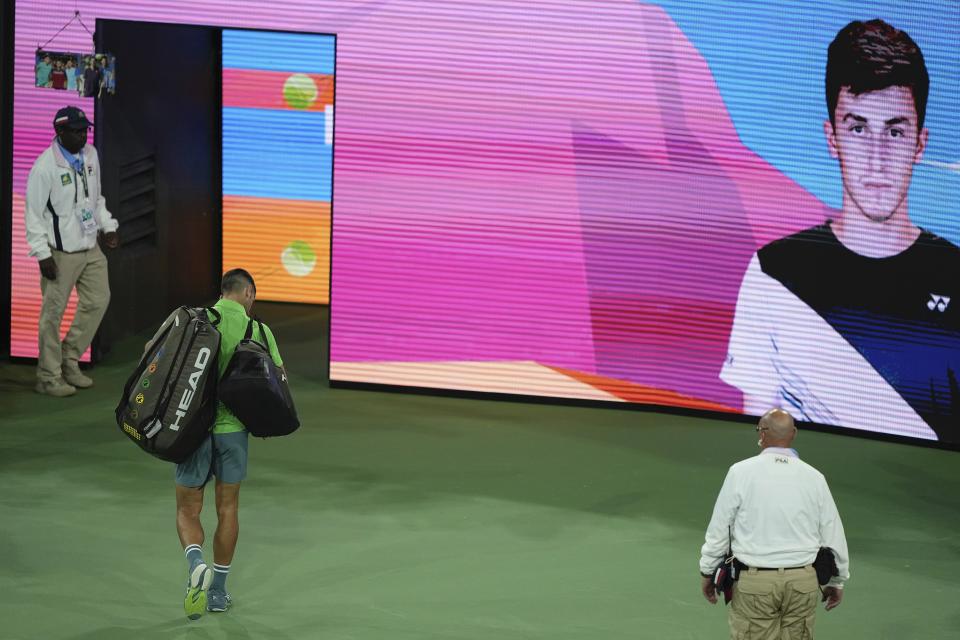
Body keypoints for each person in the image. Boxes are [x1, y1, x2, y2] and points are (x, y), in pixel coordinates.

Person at [720, 19, 960, 443]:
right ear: (832, 138)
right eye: (858, 128)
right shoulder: (772, 273)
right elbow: (758, 446)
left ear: (920, 144)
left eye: (895, 131)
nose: (877, 158)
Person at [174, 268, 285, 620]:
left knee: (187, 509)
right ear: (248, 294)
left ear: (223, 293)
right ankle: (218, 592)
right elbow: (277, 380)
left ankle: (195, 563)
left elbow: (153, 352)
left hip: (191, 431)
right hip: (233, 432)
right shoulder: (260, 331)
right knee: (228, 508)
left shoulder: (194, 320)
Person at [699, 409, 849, 639]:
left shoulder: (740, 473)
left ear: (763, 434)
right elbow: (833, 533)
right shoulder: (815, 478)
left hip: (756, 585)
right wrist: (837, 581)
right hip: (803, 583)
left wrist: (708, 571)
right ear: (794, 433)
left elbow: (720, 528)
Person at [24, 106, 119, 397]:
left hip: (90, 246)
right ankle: (48, 376)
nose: (83, 135)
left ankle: (69, 358)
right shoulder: (44, 168)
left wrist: (108, 225)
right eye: (77, 131)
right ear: (59, 132)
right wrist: (42, 255)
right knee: (52, 315)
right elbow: (33, 214)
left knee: (99, 300)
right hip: (60, 253)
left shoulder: (90, 155)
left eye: (85, 129)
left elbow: (96, 197)